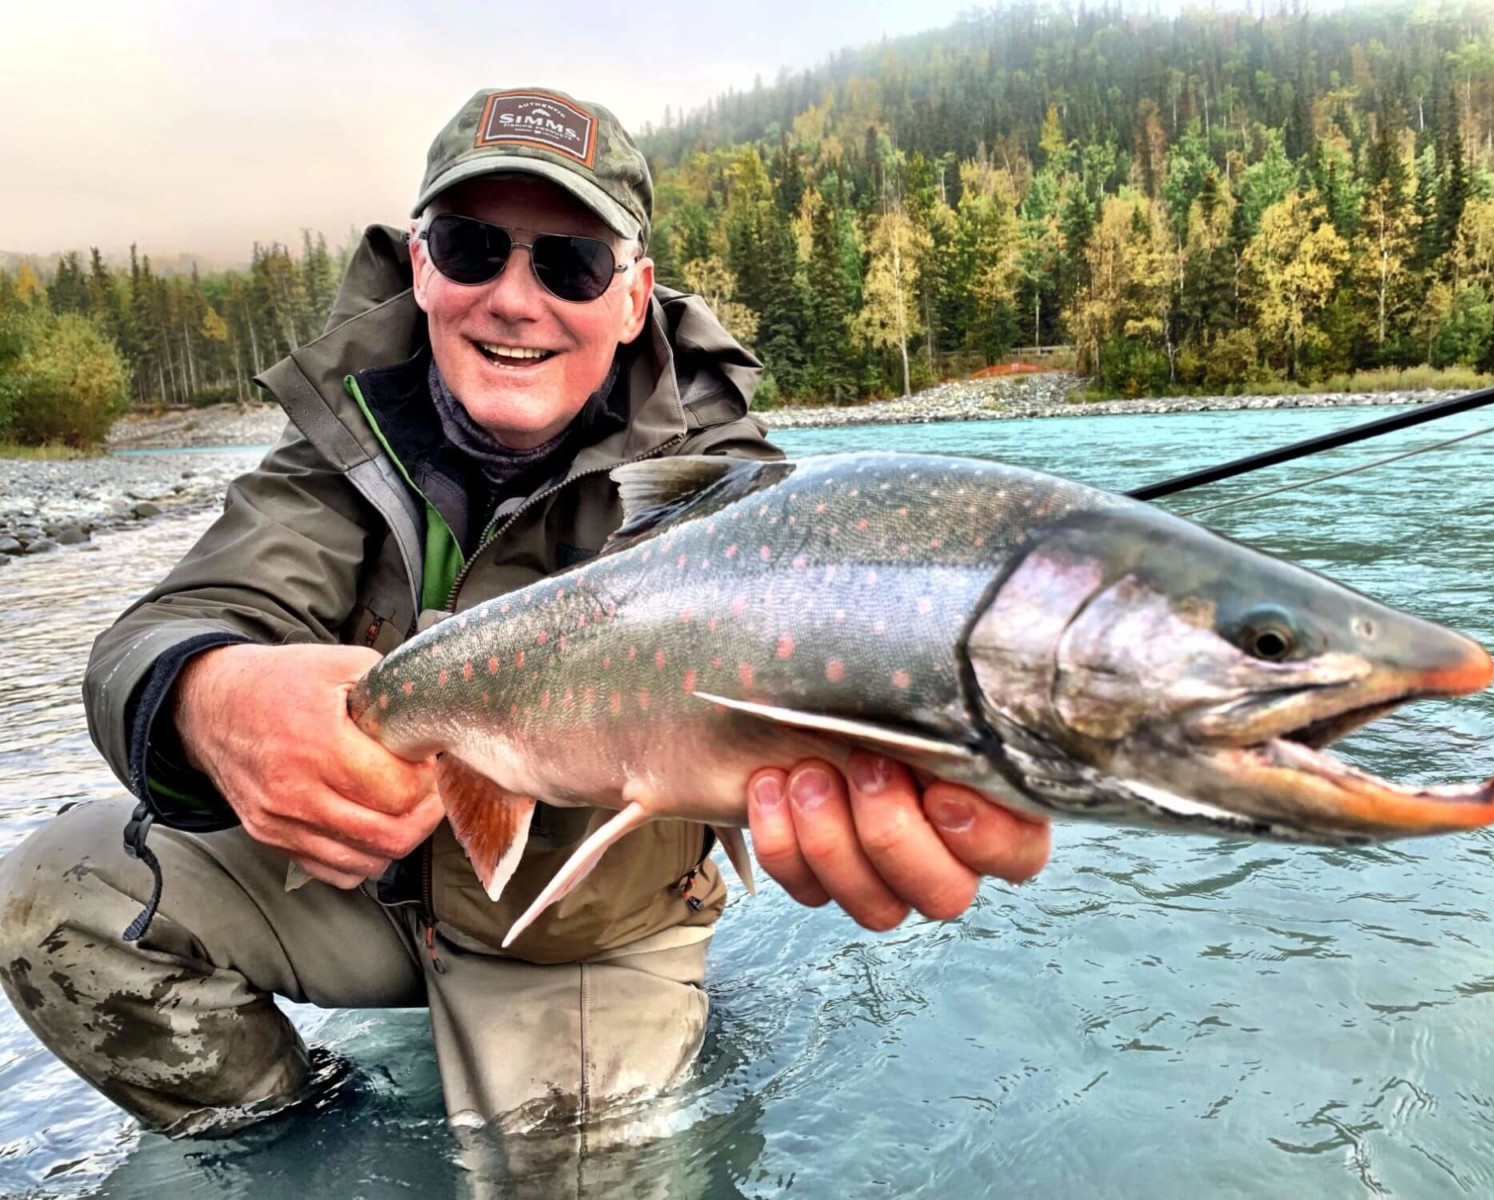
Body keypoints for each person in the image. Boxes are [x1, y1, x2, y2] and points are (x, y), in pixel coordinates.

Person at [0, 87, 1050, 1139]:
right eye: (472, 248)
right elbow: (176, 620)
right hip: (350, 885)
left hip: (572, 932)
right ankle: (289, 1127)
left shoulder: (731, 496)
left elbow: (840, 689)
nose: (514, 297)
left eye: (570, 264)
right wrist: (204, 694)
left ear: (632, 297)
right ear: (420, 267)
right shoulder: (339, 442)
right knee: (53, 896)